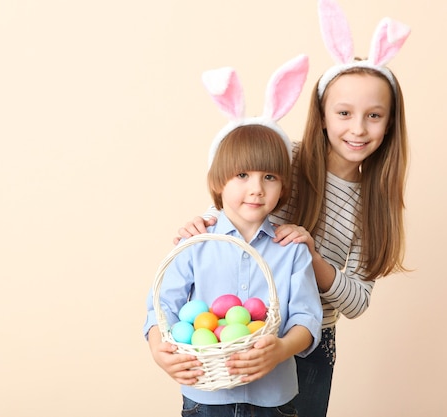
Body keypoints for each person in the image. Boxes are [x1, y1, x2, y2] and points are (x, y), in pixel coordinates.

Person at [174, 1, 412, 416]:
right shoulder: (285, 163)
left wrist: (313, 258)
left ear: (389, 124)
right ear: (321, 115)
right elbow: (239, 196)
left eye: (374, 116)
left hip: (310, 347)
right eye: (344, 113)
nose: (357, 128)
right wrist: (205, 222)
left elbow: (357, 301)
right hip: (241, 328)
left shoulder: (376, 202)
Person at [144, 55, 324, 417]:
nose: (256, 189)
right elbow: (161, 306)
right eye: (242, 175)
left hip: (274, 397)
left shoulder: (291, 249)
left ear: (283, 186)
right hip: (204, 397)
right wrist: (157, 348)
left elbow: (307, 317)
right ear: (219, 181)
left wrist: (281, 348)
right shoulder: (196, 243)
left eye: (270, 177)